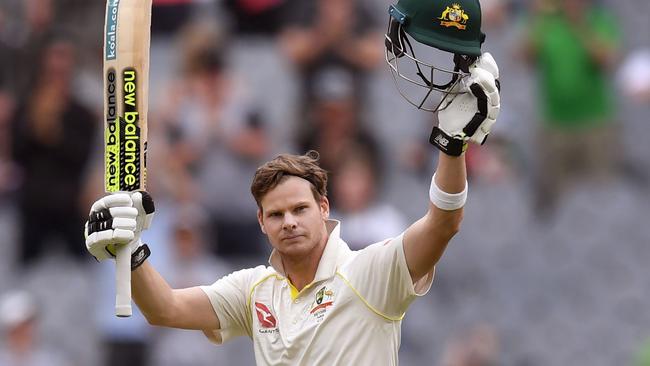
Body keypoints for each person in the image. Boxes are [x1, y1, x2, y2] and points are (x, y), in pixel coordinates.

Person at [83, 0, 500, 364]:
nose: (289, 222)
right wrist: (130, 249)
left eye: (300, 209)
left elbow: (444, 223)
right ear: (261, 223)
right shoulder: (254, 291)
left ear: (324, 208)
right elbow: (165, 309)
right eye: (276, 214)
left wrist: (451, 146)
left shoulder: (372, 270)